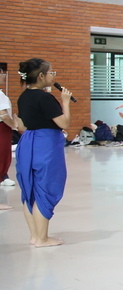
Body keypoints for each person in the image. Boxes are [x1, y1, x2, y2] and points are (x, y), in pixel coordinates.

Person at [14, 58, 70, 245]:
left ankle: (34, 236)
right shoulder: (45, 98)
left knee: (30, 189)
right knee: (46, 189)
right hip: (46, 145)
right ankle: (42, 238)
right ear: (41, 76)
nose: (53, 75)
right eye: (51, 72)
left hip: (27, 142)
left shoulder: (23, 96)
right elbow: (64, 123)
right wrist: (65, 102)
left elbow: (21, 125)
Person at [0, 64, 16, 207]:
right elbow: (4, 115)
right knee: (3, 156)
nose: (3, 77)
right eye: (2, 74)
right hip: (2, 128)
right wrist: (13, 124)